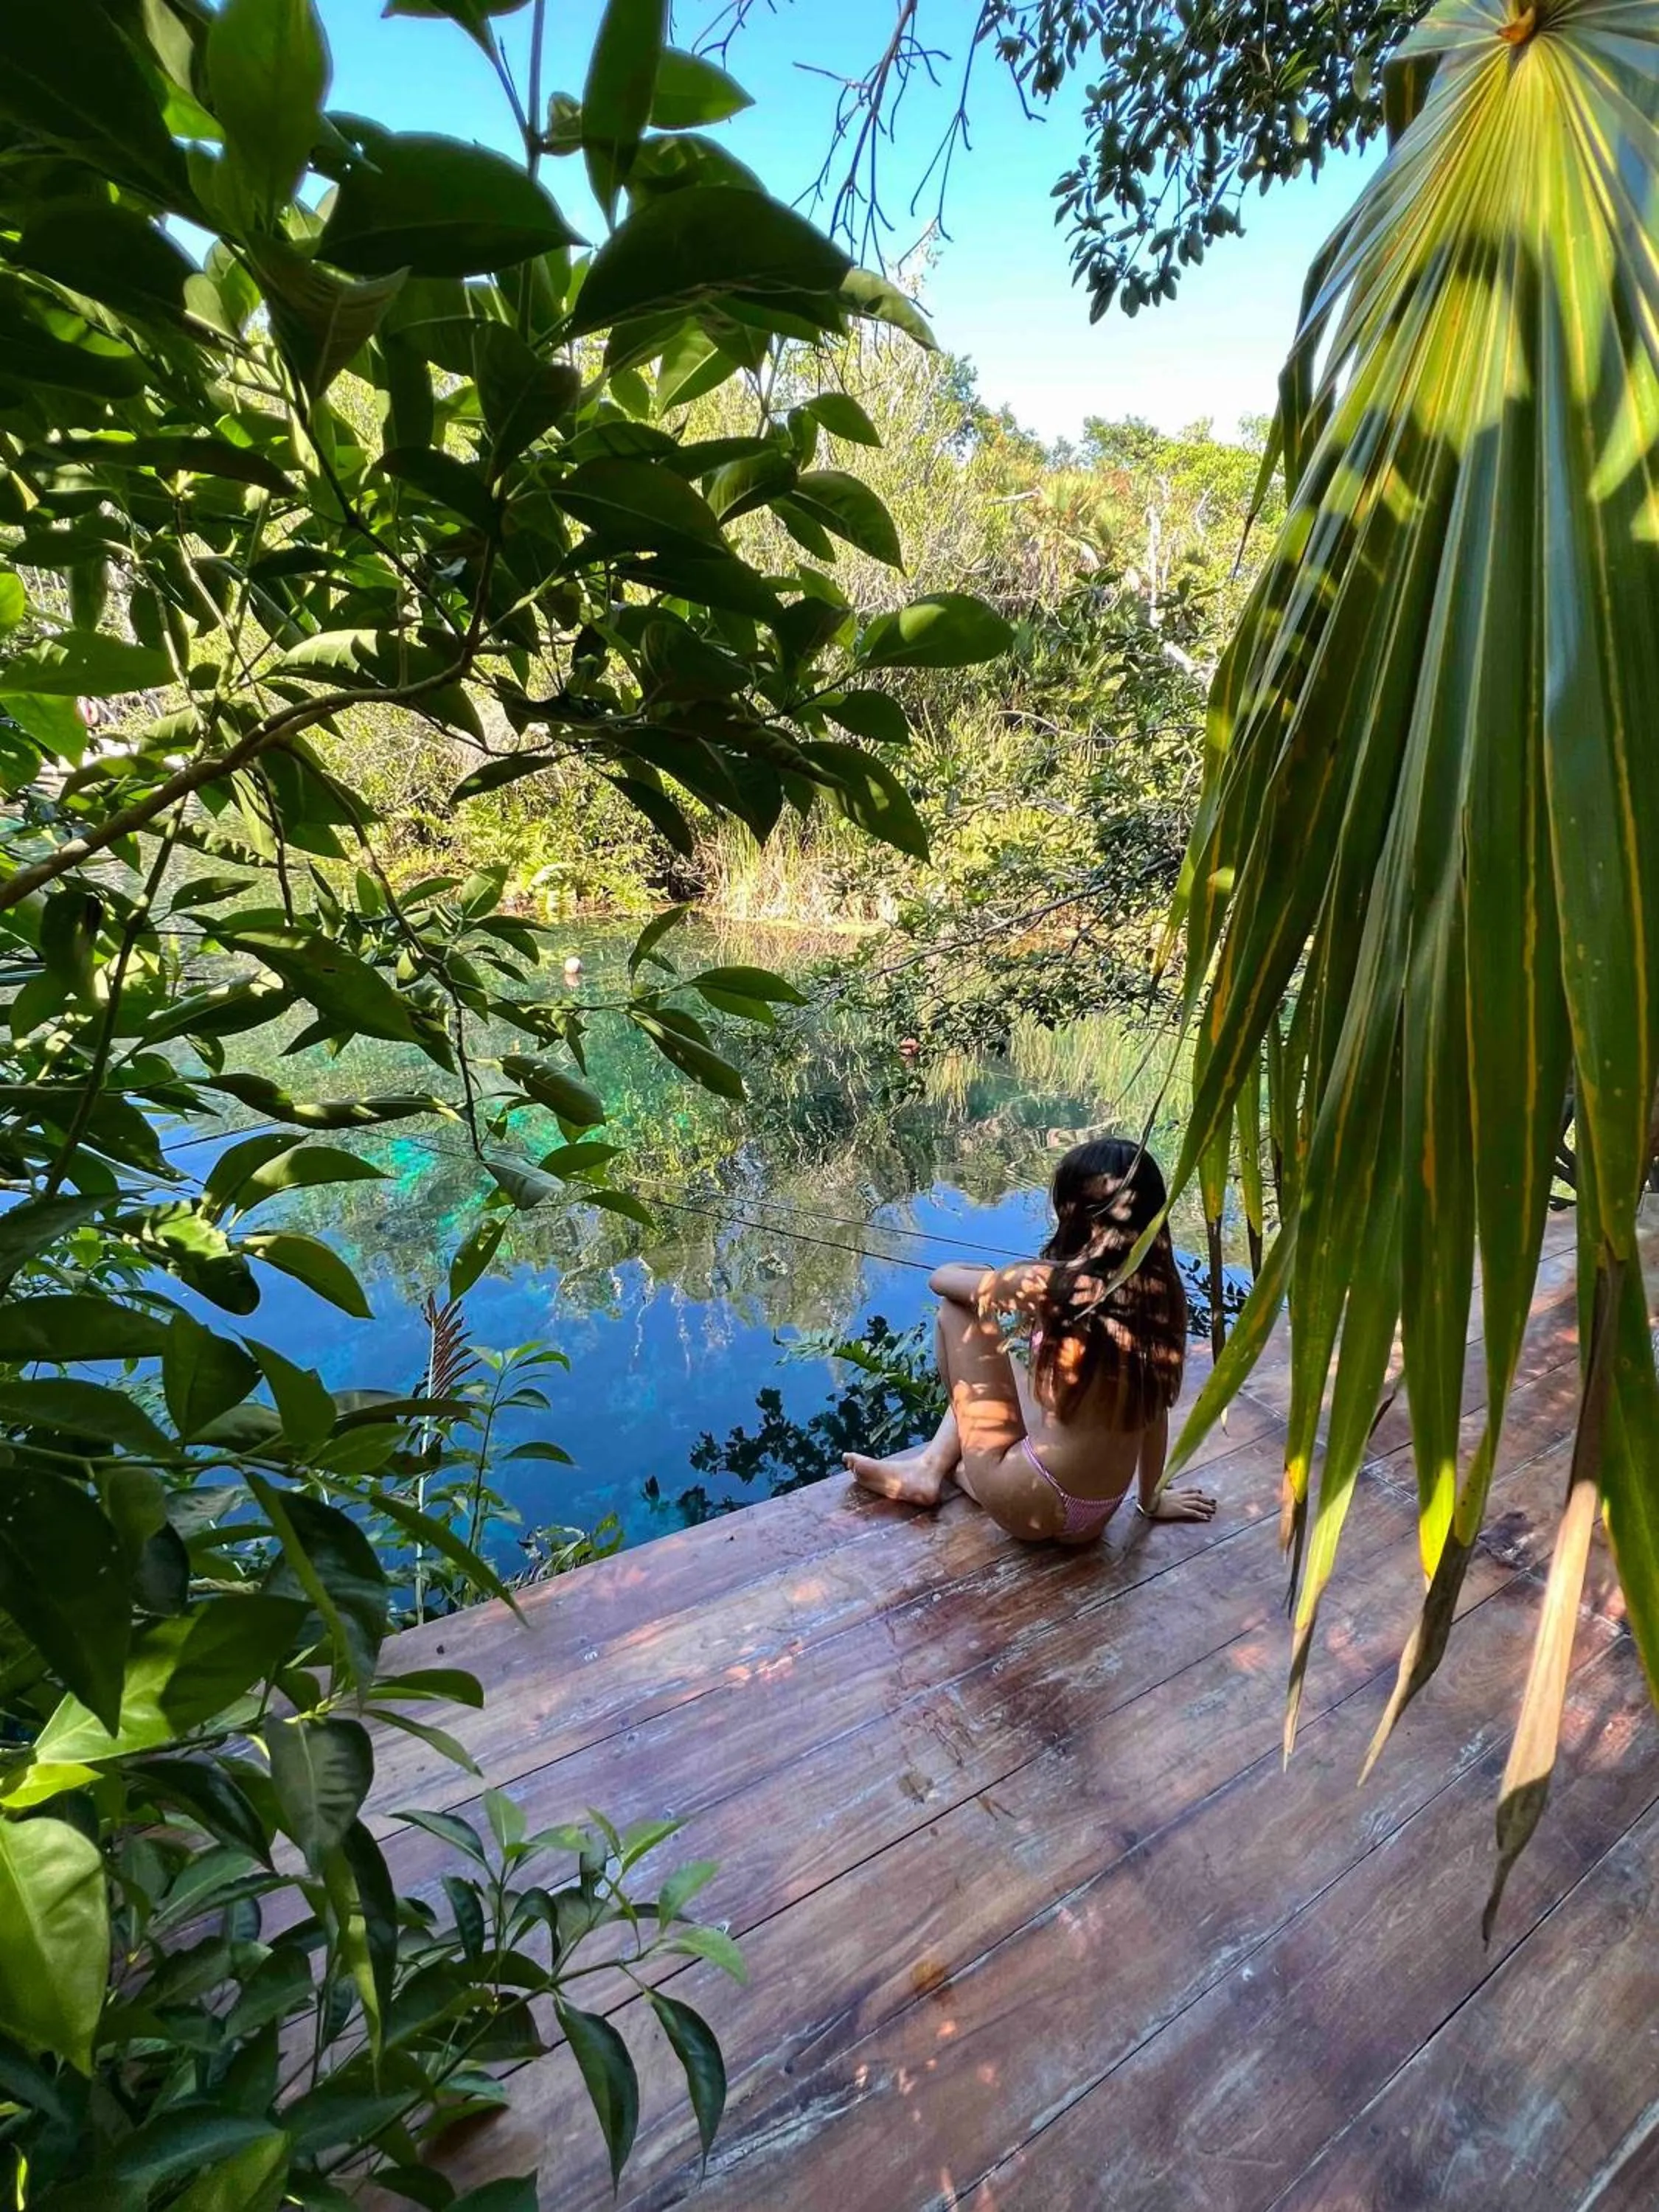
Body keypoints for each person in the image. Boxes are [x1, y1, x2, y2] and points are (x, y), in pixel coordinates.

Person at [844, 1137, 1216, 1543]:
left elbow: (942, 1280)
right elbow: (1154, 1410)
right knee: (1010, 1369)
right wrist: (1151, 1499)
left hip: (1034, 1501)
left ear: (1072, 1212)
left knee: (959, 1312)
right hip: (1095, 1518)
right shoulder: (1159, 1297)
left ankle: (932, 1472)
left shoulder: (1054, 1283)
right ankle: (937, 1467)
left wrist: (997, 1276)